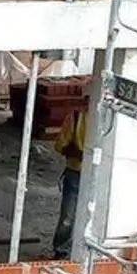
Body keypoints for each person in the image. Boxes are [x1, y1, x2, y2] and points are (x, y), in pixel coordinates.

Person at [52, 108, 87, 260]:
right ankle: (61, 251)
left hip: (96, 174)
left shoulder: (111, 117)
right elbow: (60, 145)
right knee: (68, 216)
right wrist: (78, 153)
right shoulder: (76, 117)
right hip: (76, 172)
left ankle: (84, 252)